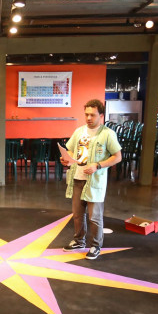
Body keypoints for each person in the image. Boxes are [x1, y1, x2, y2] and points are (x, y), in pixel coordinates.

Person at [59, 99, 122, 260]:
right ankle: (79, 240)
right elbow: (71, 151)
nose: (88, 118)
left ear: (101, 115)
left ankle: (95, 245)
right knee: (78, 214)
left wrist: (98, 165)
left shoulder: (107, 133)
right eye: (86, 114)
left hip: (95, 182)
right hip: (77, 178)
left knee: (94, 216)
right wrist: (66, 159)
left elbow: (117, 156)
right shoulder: (79, 132)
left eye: (92, 115)